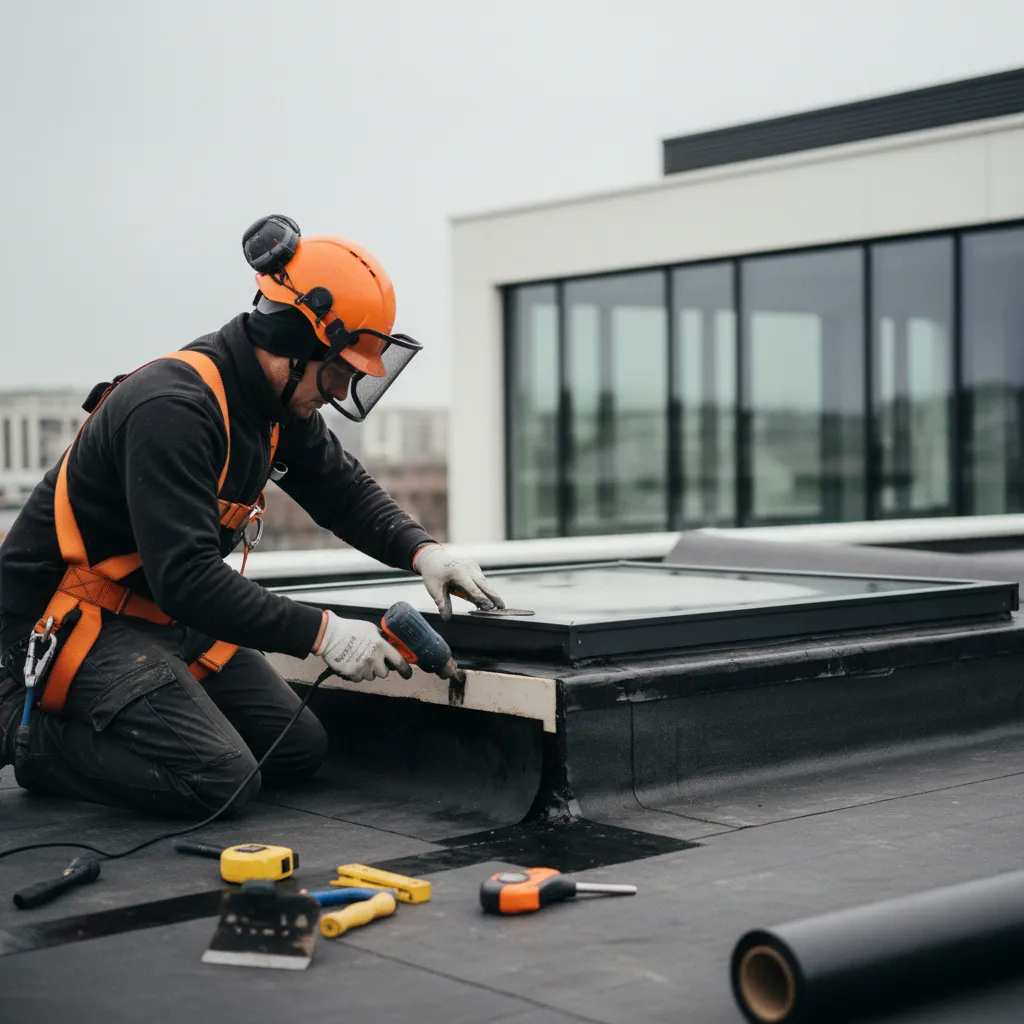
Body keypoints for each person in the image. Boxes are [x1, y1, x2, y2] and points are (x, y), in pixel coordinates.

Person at [0, 215, 504, 817]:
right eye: (338, 372)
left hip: (156, 615)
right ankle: (22, 735)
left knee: (295, 749)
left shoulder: (274, 407)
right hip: (66, 621)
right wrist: (325, 633)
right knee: (221, 779)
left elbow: (341, 490)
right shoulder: (173, 409)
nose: (338, 393)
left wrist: (423, 552)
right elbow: (186, 578)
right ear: (295, 343)